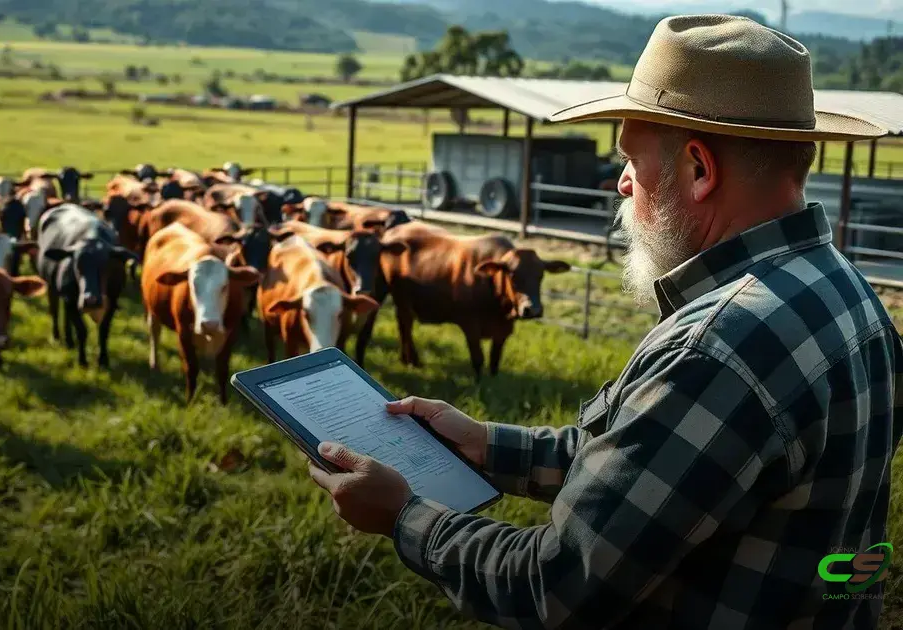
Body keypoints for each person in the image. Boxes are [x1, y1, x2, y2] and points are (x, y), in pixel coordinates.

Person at [308, 14, 903, 629]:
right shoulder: (847, 292)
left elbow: (554, 586)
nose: (622, 182)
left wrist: (404, 516)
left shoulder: (717, 348)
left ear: (699, 170)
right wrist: (485, 443)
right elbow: (650, 469)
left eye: (631, 159)